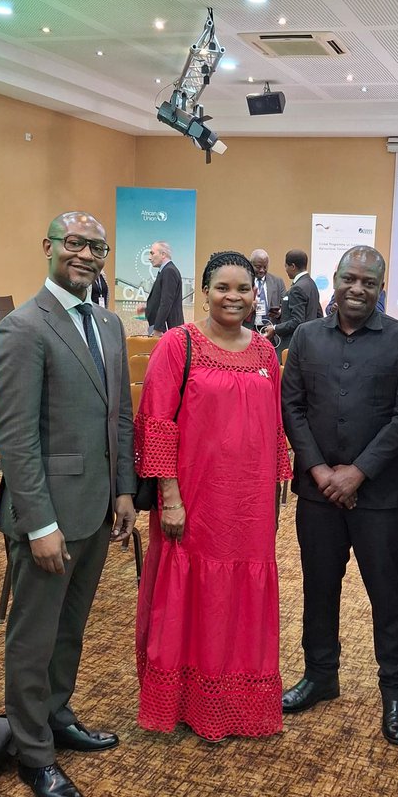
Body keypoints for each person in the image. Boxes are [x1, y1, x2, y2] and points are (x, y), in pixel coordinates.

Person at [0, 211, 136, 797]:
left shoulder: (108, 322)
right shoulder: (24, 327)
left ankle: (56, 714)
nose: (85, 255)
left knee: (71, 628)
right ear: (48, 246)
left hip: (99, 508)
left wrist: (124, 492)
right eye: (74, 243)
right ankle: (31, 749)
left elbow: (119, 417)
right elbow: (17, 439)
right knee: (34, 634)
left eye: (96, 247)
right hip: (48, 516)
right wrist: (40, 523)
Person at [134, 251, 291, 741]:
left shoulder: (265, 351)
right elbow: (157, 426)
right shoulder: (178, 346)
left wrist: (273, 493)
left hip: (248, 506)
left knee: (242, 598)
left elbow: (274, 424)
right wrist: (171, 499)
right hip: (194, 501)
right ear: (204, 291)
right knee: (192, 595)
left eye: (242, 289)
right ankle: (187, 703)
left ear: (254, 294)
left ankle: (236, 702)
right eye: (222, 287)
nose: (233, 297)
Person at [281, 246, 398, 744]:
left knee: (388, 595)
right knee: (319, 589)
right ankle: (321, 676)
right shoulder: (304, 337)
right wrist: (321, 471)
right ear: (335, 280)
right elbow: (292, 408)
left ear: (381, 286)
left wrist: (357, 473)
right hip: (317, 493)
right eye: (349, 278)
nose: (357, 289)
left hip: (380, 495)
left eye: (369, 281)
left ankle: (396, 691)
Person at [261, 249, 321, 354]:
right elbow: (318, 315)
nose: (285, 269)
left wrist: (275, 328)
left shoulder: (297, 288)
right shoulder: (312, 284)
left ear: (292, 266)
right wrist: (281, 314)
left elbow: (298, 320)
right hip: (309, 344)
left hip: (293, 346)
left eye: (286, 266)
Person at [145, 240, 184, 335]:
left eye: (152, 253)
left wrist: (158, 328)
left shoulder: (169, 271)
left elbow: (166, 302)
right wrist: (147, 308)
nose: (150, 258)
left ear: (163, 254)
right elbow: (160, 299)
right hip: (162, 327)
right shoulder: (165, 271)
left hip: (166, 328)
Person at [249, 248, 285, 330]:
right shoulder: (244, 281)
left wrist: (279, 313)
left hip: (270, 329)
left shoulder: (278, 282)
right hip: (249, 329)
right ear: (251, 264)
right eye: (258, 267)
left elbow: (285, 307)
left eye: (265, 267)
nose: (262, 270)